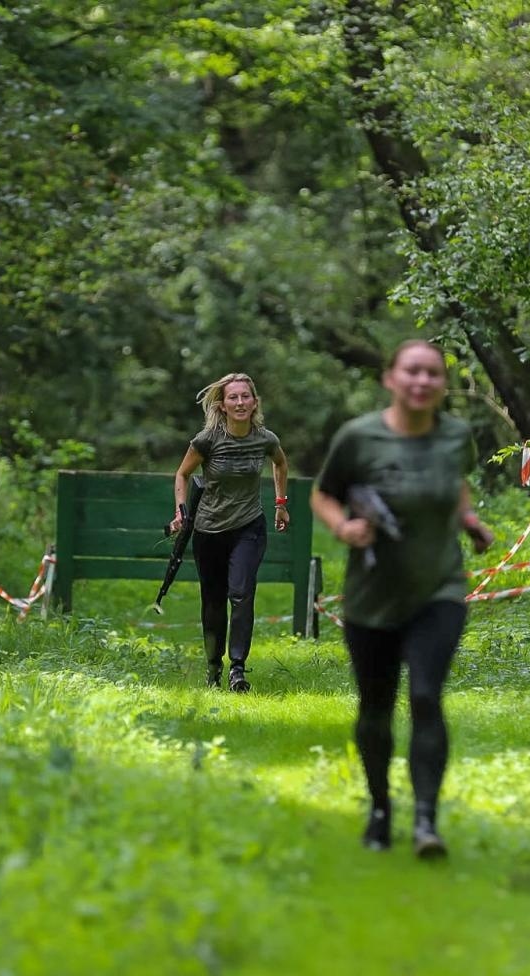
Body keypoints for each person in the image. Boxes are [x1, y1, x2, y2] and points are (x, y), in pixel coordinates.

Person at [310, 340, 495, 859]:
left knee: (426, 696)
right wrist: (343, 527)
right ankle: (378, 810)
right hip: (372, 597)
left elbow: (456, 484)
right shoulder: (358, 438)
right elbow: (323, 493)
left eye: (433, 374)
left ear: (442, 384)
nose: (422, 382)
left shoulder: (456, 436)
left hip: (439, 589)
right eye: (412, 372)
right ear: (390, 378)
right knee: (376, 705)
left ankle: (426, 822)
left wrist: (469, 519)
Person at [169, 372, 290, 693]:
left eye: (245, 397)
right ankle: (213, 667)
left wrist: (280, 502)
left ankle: (238, 669)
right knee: (212, 601)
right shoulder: (207, 440)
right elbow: (182, 474)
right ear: (222, 405)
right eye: (233, 397)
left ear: (254, 402)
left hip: (249, 526)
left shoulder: (266, 439)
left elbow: (280, 463)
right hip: (209, 530)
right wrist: (180, 511)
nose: (240, 402)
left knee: (241, 593)